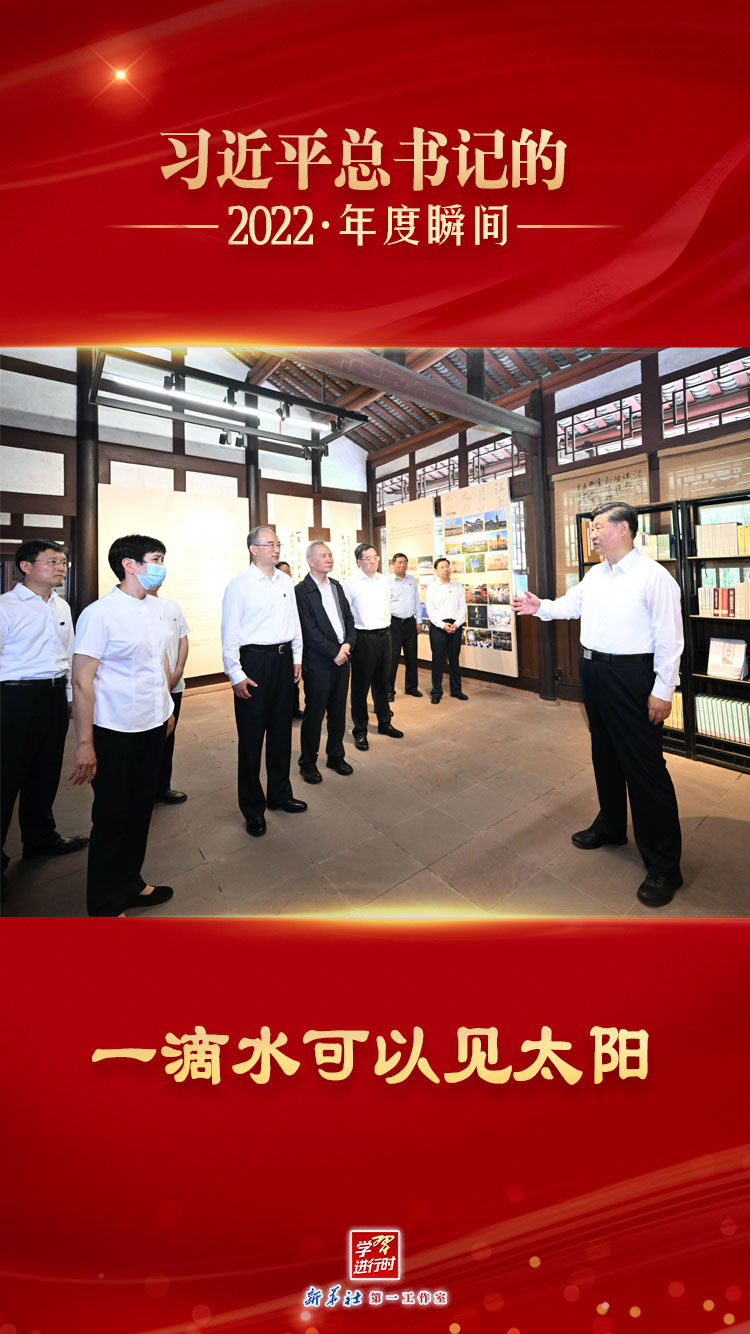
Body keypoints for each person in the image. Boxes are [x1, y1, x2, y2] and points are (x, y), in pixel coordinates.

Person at [512, 501, 683, 908]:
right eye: (591, 528)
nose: (592, 534)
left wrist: (663, 690)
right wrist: (541, 607)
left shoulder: (653, 576)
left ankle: (665, 866)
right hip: (594, 673)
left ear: (624, 529)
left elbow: (670, 638)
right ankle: (611, 826)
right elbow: (572, 605)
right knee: (604, 755)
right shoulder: (596, 574)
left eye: (598, 527)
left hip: (632, 677)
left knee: (644, 769)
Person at [70, 535, 176, 917]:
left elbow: (158, 664)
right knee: (112, 816)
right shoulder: (100, 613)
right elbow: (81, 680)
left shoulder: (157, 608)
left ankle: (131, 882)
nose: (162, 566)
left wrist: (167, 710)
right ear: (129, 565)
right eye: (156, 559)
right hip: (114, 729)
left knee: (140, 809)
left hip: (152, 724)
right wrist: (85, 743)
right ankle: (104, 904)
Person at [0, 539, 88, 874]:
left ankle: (39, 839)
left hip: (52, 697)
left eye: (63, 562)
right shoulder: (6, 607)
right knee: (7, 777)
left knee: (45, 771)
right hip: (14, 698)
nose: (60, 567)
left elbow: (68, 655)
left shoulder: (60, 606)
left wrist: (69, 695)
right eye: (52, 561)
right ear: (26, 566)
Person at [221, 526, 307, 836]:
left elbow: (294, 622)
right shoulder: (240, 585)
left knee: (281, 733)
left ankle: (279, 794)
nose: (276, 549)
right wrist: (236, 674)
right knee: (251, 738)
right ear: (253, 549)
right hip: (254, 663)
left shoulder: (285, 581)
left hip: (283, 661)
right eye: (270, 544)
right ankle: (253, 809)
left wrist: (297, 657)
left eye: (278, 544)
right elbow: (229, 633)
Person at [295, 541, 356, 783]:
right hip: (318, 662)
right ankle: (308, 763)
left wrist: (347, 645)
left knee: (339, 711)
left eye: (330, 555)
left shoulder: (336, 586)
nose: (329, 559)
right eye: (323, 555)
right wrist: (334, 652)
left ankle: (335, 755)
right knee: (315, 713)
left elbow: (349, 619)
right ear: (310, 561)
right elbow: (308, 630)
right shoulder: (302, 591)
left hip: (342, 658)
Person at [343, 543, 403, 751]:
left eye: (375, 557)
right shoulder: (350, 583)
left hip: (385, 635)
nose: (373, 561)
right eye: (368, 558)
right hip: (363, 638)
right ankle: (360, 730)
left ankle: (385, 723)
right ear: (358, 561)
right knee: (360, 687)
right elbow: (346, 615)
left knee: (382, 683)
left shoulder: (383, 581)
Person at [147, 582, 189, 804]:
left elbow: (183, 639)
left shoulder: (172, 606)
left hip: (173, 684)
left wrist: (178, 670)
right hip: (149, 689)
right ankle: (143, 790)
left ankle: (162, 787)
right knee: (146, 741)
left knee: (168, 736)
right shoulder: (132, 608)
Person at [425, 557, 468, 704]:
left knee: (454, 659)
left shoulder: (458, 586)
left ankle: (456, 690)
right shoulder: (432, 587)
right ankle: (436, 692)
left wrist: (457, 624)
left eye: (447, 566)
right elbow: (430, 610)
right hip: (438, 627)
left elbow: (462, 608)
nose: (445, 569)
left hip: (456, 626)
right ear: (436, 570)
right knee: (438, 660)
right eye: (442, 567)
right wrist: (443, 625)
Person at [388, 552, 423, 700]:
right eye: (399, 562)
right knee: (392, 658)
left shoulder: (412, 580)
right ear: (393, 564)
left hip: (410, 623)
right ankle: (389, 691)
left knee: (411, 657)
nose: (403, 565)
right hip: (393, 624)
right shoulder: (387, 581)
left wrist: (419, 621)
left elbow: (417, 601)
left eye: (405, 562)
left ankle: (411, 687)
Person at [277, 560, 303, 718]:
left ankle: (294, 709)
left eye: (289, 572)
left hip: (295, 643)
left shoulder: (294, 590)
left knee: (295, 681)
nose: (287, 575)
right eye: (283, 572)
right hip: (282, 646)